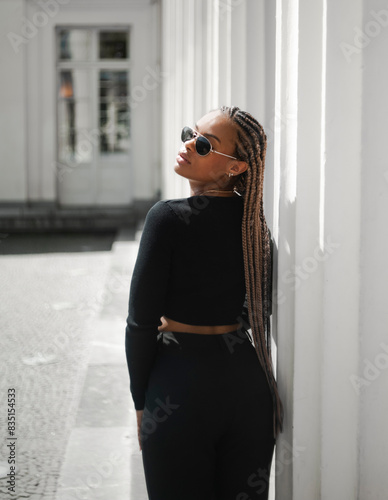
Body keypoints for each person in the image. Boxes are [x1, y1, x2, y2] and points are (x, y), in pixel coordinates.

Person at [125, 106, 283, 500]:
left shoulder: (167, 219)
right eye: (189, 134)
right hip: (248, 389)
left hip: (178, 388)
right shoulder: (254, 228)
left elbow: (140, 323)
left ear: (236, 168)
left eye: (203, 144)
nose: (187, 146)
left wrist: (141, 400)